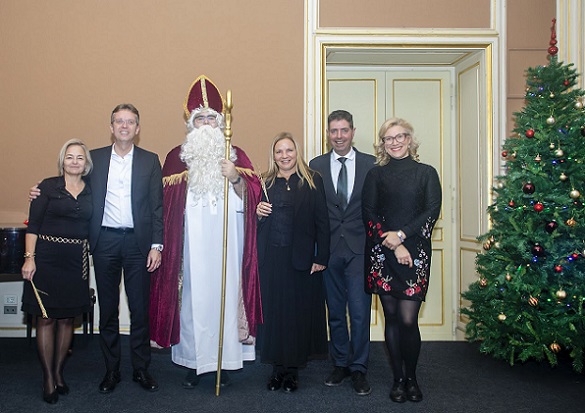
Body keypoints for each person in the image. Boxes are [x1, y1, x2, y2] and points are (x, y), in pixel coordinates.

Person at [30, 104, 163, 394]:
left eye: (130, 122)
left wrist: (157, 245)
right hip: (104, 243)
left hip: (139, 245)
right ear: (111, 127)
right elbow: (70, 180)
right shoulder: (96, 159)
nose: (124, 126)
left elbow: (157, 206)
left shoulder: (150, 160)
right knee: (108, 310)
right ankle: (111, 370)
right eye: (119, 121)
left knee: (140, 310)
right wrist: (41, 189)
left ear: (138, 128)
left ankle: (141, 369)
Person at [149, 75, 262, 388]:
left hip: (229, 246)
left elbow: (255, 199)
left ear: (221, 123)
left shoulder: (236, 155)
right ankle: (194, 361)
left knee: (225, 300)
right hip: (189, 248)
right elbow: (164, 209)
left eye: (212, 118)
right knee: (192, 303)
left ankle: (225, 362)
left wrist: (235, 177)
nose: (206, 124)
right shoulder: (176, 159)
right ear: (191, 124)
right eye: (200, 119)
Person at [361, 117, 441, 403]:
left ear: (409, 139)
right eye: (388, 138)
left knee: (409, 320)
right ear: (382, 143)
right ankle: (398, 380)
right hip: (383, 253)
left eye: (399, 136)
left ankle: (412, 378)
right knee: (392, 318)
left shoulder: (426, 173)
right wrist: (393, 243)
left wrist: (403, 236)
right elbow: (368, 214)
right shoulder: (375, 175)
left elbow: (432, 211)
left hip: (415, 255)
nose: (394, 142)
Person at [255, 132, 330, 393]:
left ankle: (292, 371)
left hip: (301, 260)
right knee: (275, 315)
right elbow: (252, 225)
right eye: (279, 151)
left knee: (296, 316)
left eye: (289, 150)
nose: (284, 156)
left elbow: (323, 221)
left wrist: (321, 257)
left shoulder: (312, 180)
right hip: (272, 260)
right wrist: (257, 214)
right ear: (273, 156)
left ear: (296, 152)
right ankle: (277, 369)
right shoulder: (264, 182)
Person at [309, 110, 375, 396]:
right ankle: (340, 363)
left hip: (360, 250)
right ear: (328, 133)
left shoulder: (371, 164)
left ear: (353, 132)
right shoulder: (316, 165)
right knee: (335, 312)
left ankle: (359, 368)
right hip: (329, 250)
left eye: (344, 130)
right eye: (334, 131)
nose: (339, 136)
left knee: (359, 312)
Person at [22, 139, 93, 404]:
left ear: (86, 164)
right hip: (47, 259)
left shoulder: (92, 190)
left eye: (80, 158)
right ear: (62, 161)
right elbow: (33, 226)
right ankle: (48, 377)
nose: (74, 161)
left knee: (66, 320)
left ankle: (59, 371)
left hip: (76, 262)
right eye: (70, 157)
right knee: (46, 318)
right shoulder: (46, 187)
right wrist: (29, 259)